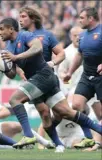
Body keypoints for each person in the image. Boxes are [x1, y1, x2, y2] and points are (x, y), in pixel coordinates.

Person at [0, 17, 102, 151]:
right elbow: (12, 74)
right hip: (38, 79)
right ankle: (60, 144)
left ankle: (28, 135)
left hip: (43, 75)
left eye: (1, 29)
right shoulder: (8, 47)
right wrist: (4, 68)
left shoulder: (25, 35)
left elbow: (38, 47)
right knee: (65, 112)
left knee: (14, 99)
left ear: (11, 29)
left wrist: (16, 57)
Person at [18, 6, 66, 151]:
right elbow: (15, 59)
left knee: (59, 113)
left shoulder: (47, 35)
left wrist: (53, 62)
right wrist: (20, 71)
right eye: (19, 16)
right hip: (33, 82)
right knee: (44, 113)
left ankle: (45, 137)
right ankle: (56, 144)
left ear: (33, 18)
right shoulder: (19, 37)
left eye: (23, 16)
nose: (20, 19)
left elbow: (61, 54)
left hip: (49, 78)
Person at [63, 7, 102, 147]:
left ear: (90, 19)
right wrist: (70, 72)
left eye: (81, 18)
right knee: (77, 105)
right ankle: (88, 137)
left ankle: (98, 139)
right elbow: (79, 55)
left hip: (101, 77)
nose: (79, 20)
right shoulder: (83, 35)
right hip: (87, 76)